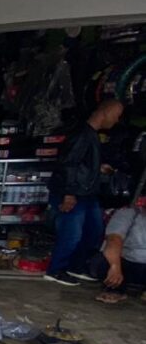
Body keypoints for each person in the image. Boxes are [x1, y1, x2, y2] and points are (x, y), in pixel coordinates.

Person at [44, 99, 124, 286]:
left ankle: (76, 266)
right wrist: (69, 193)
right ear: (106, 112)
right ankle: (55, 270)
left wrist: (97, 169)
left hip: (86, 192)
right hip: (73, 192)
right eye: (116, 115)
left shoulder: (91, 135)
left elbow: (80, 163)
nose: (117, 120)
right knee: (72, 234)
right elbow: (68, 164)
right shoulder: (81, 134)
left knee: (93, 231)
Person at [88, 196, 146, 303]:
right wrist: (115, 266)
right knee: (106, 260)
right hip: (126, 262)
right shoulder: (129, 213)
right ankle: (115, 290)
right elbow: (114, 239)